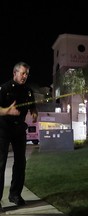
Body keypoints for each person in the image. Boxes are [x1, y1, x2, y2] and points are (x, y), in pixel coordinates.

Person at [0, 62, 38, 206]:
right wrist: (6, 111)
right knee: (1, 163)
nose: (25, 76)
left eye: (27, 74)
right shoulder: (4, 88)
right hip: (3, 129)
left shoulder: (28, 91)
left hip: (19, 130)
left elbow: (33, 107)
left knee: (20, 163)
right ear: (15, 73)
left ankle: (15, 195)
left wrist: (34, 113)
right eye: (23, 73)